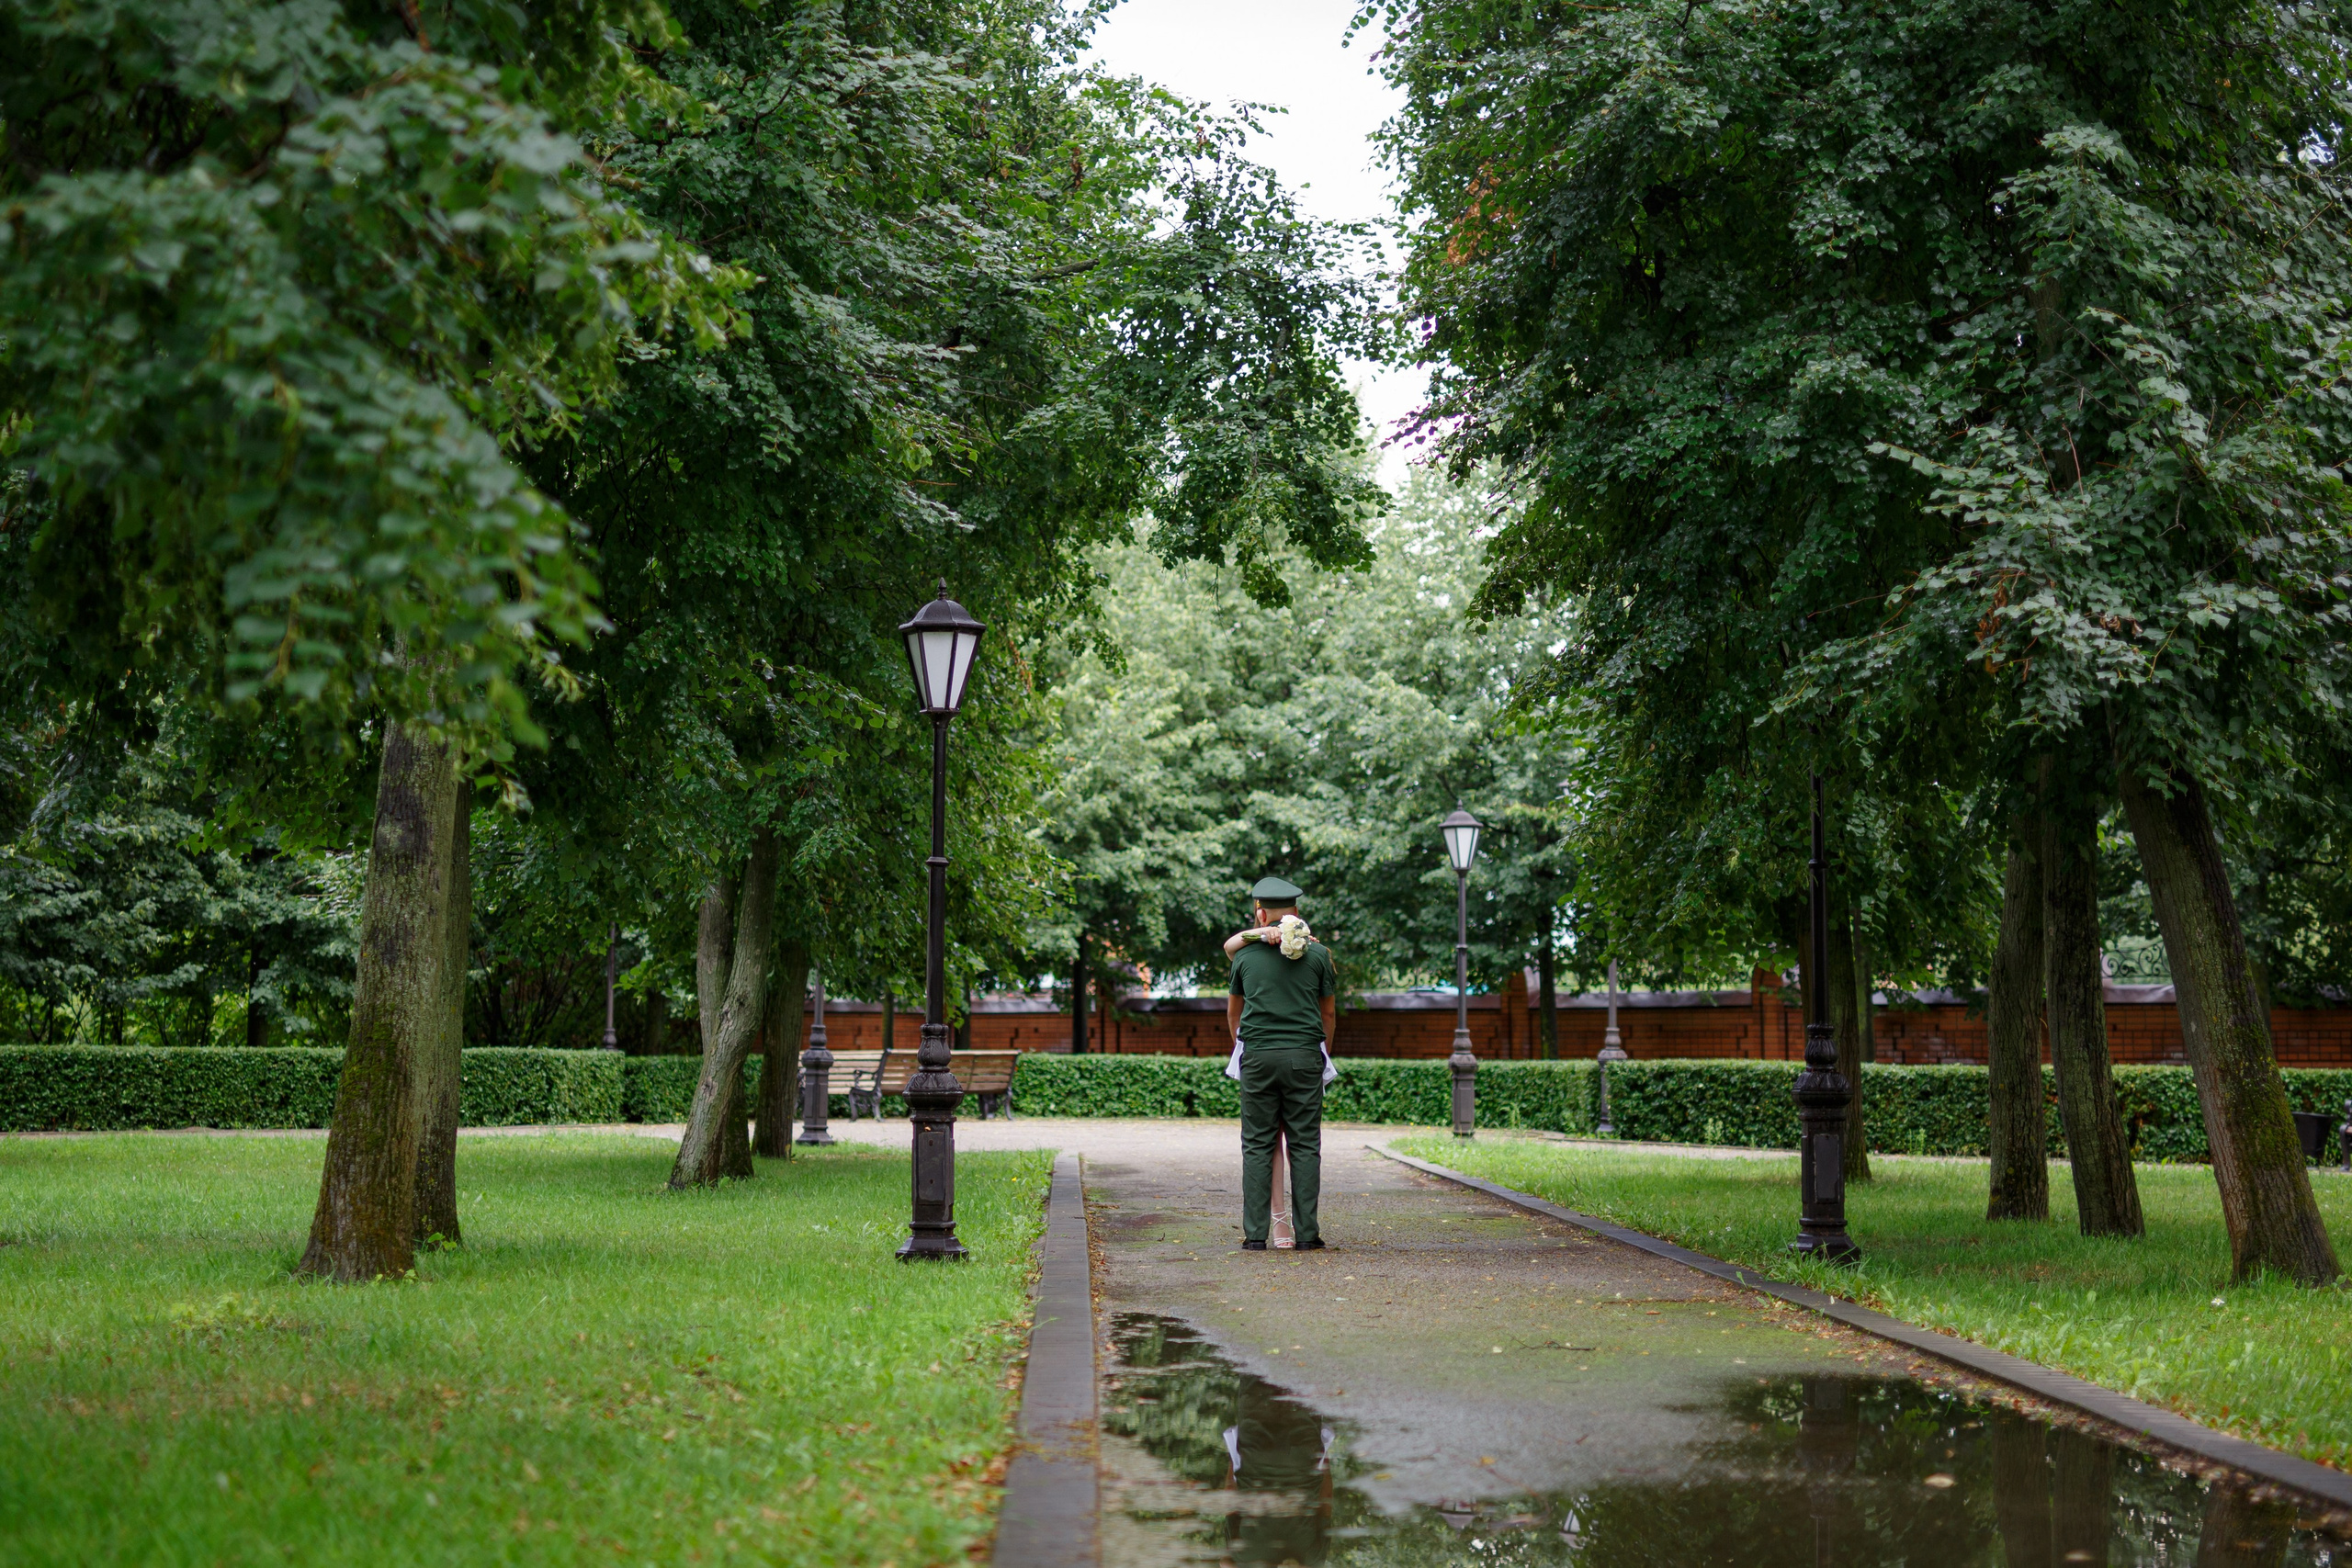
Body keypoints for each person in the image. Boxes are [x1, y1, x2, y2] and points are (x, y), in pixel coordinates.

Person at [1223, 875, 1337, 1252]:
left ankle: (1255, 1236)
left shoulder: (1244, 956)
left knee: (1256, 1144)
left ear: (1260, 912)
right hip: (1304, 1054)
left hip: (1257, 1054)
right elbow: (1329, 1014)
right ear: (1297, 912)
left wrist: (1244, 1046)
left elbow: (1233, 1013)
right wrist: (1322, 1054)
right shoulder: (1319, 955)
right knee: (1305, 1144)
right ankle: (1307, 1235)